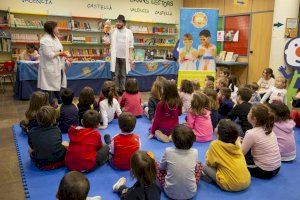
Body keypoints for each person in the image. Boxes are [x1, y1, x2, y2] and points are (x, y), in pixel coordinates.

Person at [202, 119, 251, 191]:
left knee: (203, 166)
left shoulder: (215, 144)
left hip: (230, 185)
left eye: (217, 127)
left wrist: (208, 154)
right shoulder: (237, 141)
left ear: (219, 134)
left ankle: (215, 181)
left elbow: (210, 163)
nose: (215, 128)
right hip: (246, 181)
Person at [157, 125, 202, 200]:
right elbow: (196, 169)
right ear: (192, 140)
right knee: (200, 164)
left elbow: (161, 167)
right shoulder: (195, 152)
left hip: (169, 192)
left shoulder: (168, 151)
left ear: (173, 140)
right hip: (191, 193)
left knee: (156, 165)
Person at [241, 104, 281, 179]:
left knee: (236, 162)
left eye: (249, 112)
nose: (248, 113)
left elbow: (240, 153)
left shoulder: (251, 133)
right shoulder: (269, 129)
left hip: (265, 171)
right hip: (277, 168)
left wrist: (236, 143)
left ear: (254, 119)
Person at [38, 21, 70, 107]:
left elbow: (59, 51)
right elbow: (49, 55)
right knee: (49, 87)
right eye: (56, 27)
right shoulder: (44, 40)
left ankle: (60, 102)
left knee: (57, 85)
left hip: (58, 66)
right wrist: (61, 54)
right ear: (52, 29)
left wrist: (65, 59)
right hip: (49, 68)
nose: (58, 28)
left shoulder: (55, 38)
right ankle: (50, 104)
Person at [28, 106, 67, 170]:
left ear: (37, 119)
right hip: (59, 160)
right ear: (54, 120)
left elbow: (31, 146)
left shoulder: (32, 131)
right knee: (65, 144)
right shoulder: (57, 129)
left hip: (42, 164)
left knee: (29, 150)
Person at [110, 14, 134, 95]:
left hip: (125, 57)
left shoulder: (129, 32)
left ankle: (122, 90)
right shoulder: (114, 31)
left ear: (123, 22)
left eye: (120, 22)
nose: (118, 23)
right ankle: (116, 90)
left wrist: (130, 56)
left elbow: (131, 45)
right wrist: (109, 27)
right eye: (117, 22)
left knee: (123, 75)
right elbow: (107, 36)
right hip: (115, 56)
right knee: (116, 75)